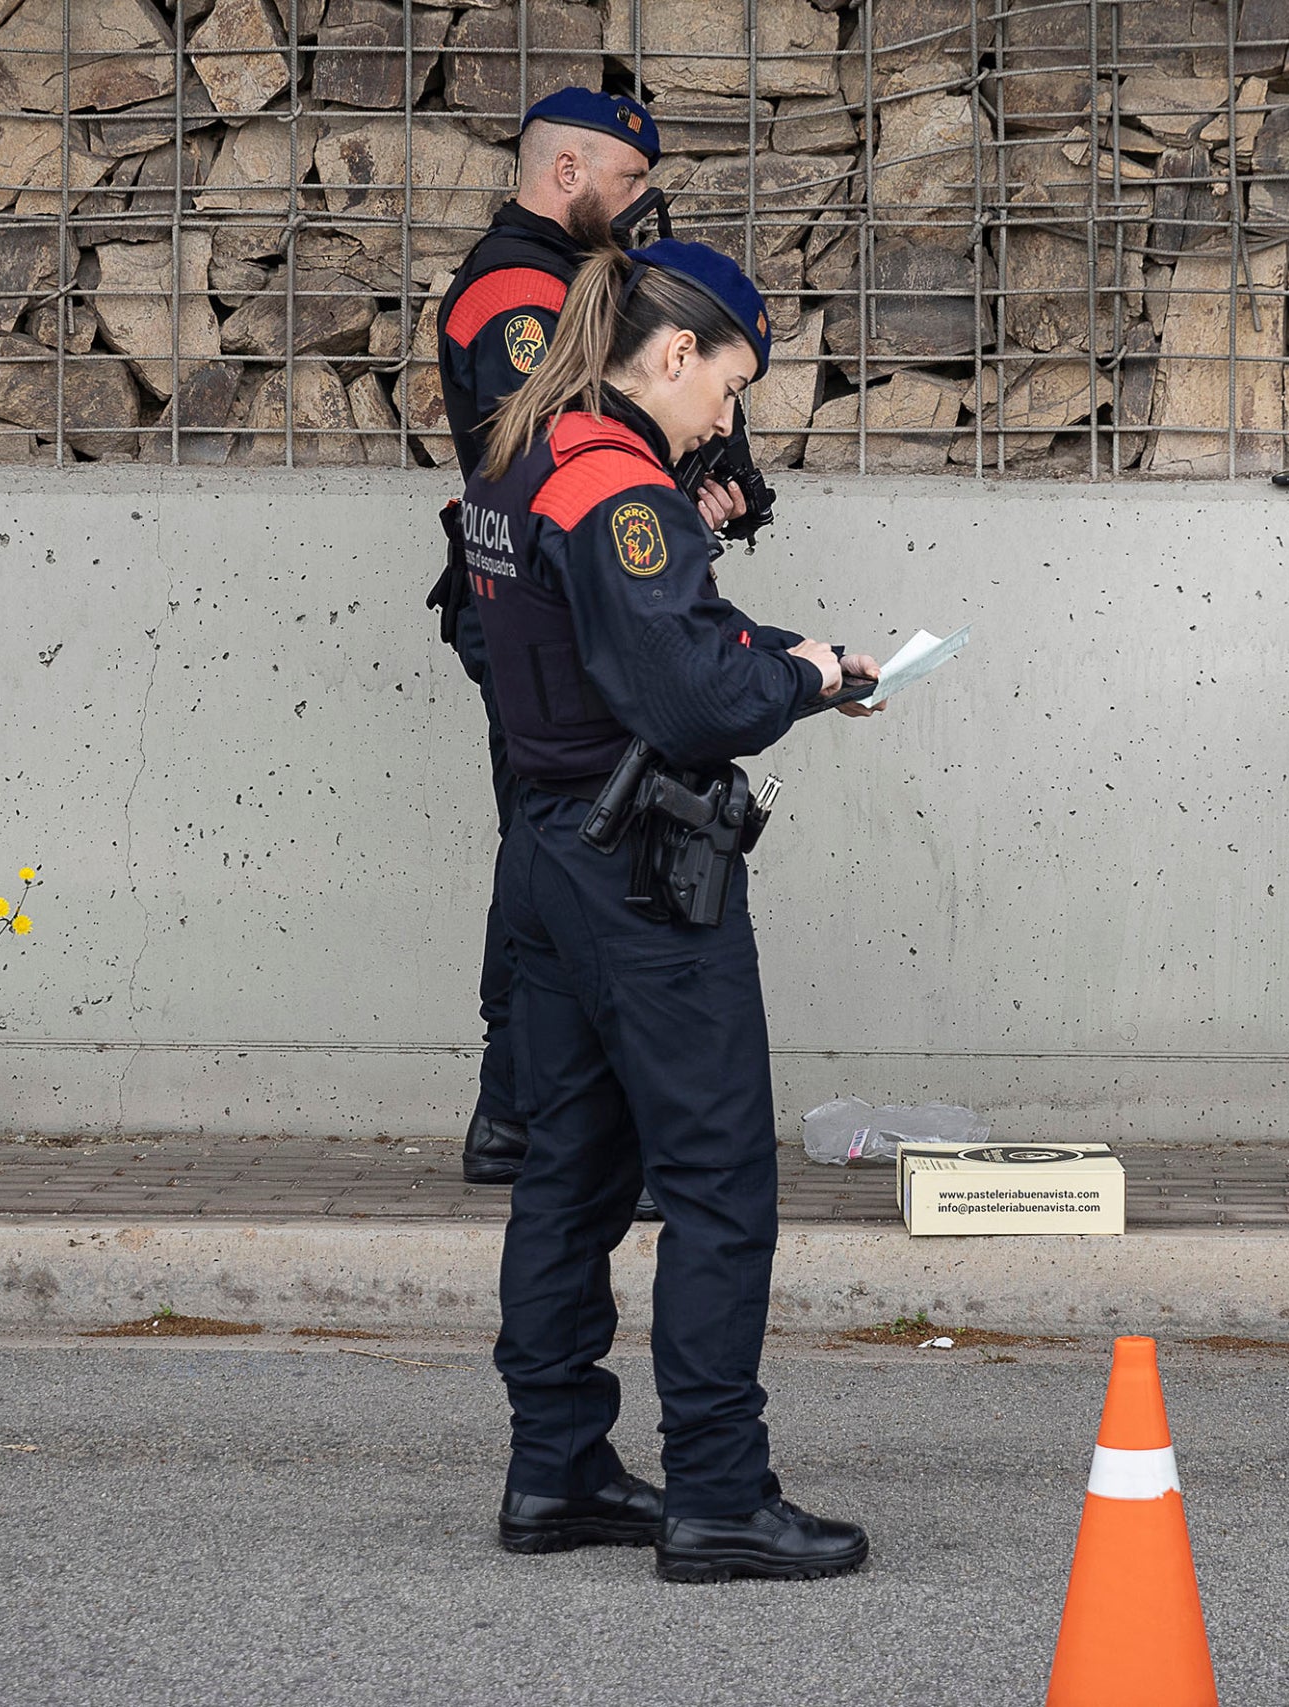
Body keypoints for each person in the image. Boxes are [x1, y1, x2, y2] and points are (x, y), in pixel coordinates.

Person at [462, 234, 876, 1580]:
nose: (726, 419)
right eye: (731, 385)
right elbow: (693, 696)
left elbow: (600, 640)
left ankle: (555, 1468)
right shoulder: (617, 485)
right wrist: (803, 681)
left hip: (546, 846)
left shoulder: (525, 455)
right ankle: (718, 1492)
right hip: (636, 867)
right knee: (717, 1181)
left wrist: (775, 649)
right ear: (678, 350)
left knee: (571, 1173)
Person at [432, 86, 773, 1189]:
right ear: (567, 171)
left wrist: (682, 495)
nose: (638, 208)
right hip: (546, 615)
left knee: (562, 847)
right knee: (568, 850)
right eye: (627, 182)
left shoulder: (559, 278)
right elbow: (556, 459)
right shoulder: (520, 289)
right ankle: (522, 1112)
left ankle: (541, 1119)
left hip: (547, 598)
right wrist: (664, 493)